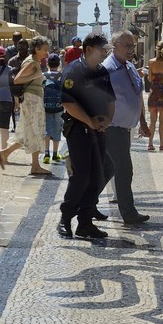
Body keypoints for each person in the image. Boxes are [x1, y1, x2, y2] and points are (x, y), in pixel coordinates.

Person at [58, 34, 113, 240]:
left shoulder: (102, 72)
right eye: (102, 49)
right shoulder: (74, 70)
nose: (105, 53)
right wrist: (90, 122)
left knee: (98, 175)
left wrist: (107, 120)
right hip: (79, 131)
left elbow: (110, 100)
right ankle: (65, 219)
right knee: (81, 176)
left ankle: (85, 222)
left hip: (98, 131)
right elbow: (68, 104)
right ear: (89, 49)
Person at [101, 31, 152, 226]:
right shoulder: (106, 69)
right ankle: (128, 213)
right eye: (127, 45)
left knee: (107, 169)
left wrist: (143, 121)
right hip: (112, 127)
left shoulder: (130, 67)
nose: (131, 49)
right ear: (114, 45)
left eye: (132, 45)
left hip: (125, 127)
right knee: (124, 169)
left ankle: (85, 204)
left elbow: (137, 94)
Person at [0, 36, 51, 176]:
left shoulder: (34, 61)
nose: (47, 52)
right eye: (45, 49)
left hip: (33, 99)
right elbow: (17, 79)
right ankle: (35, 166)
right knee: (35, 131)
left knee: (29, 133)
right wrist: (35, 76)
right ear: (37, 49)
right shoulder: (32, 62)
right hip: (32, 100)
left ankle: (6, 153)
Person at [42, 53, 65, 165]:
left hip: (45, 107)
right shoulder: (62, 76)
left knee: (47, 129)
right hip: (58, 107)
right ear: (59, 64)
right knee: (57, 129)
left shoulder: (43, 75)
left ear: (47, 64)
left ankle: (46, 153)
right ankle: (55, 154)